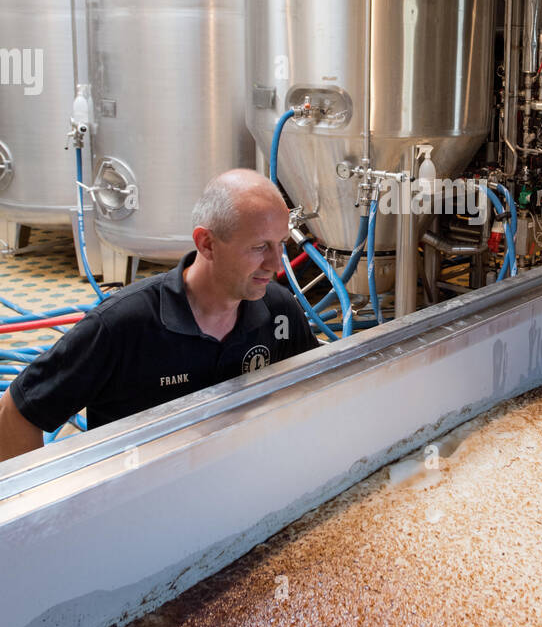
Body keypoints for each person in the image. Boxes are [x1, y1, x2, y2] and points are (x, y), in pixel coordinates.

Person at [0, 169, 318, 460]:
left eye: (281, 244)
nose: (278, 264)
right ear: (207, 244)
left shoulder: (279, 311)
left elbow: (320, 384)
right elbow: (16, 413)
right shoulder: (122, 326)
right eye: (259, 247)